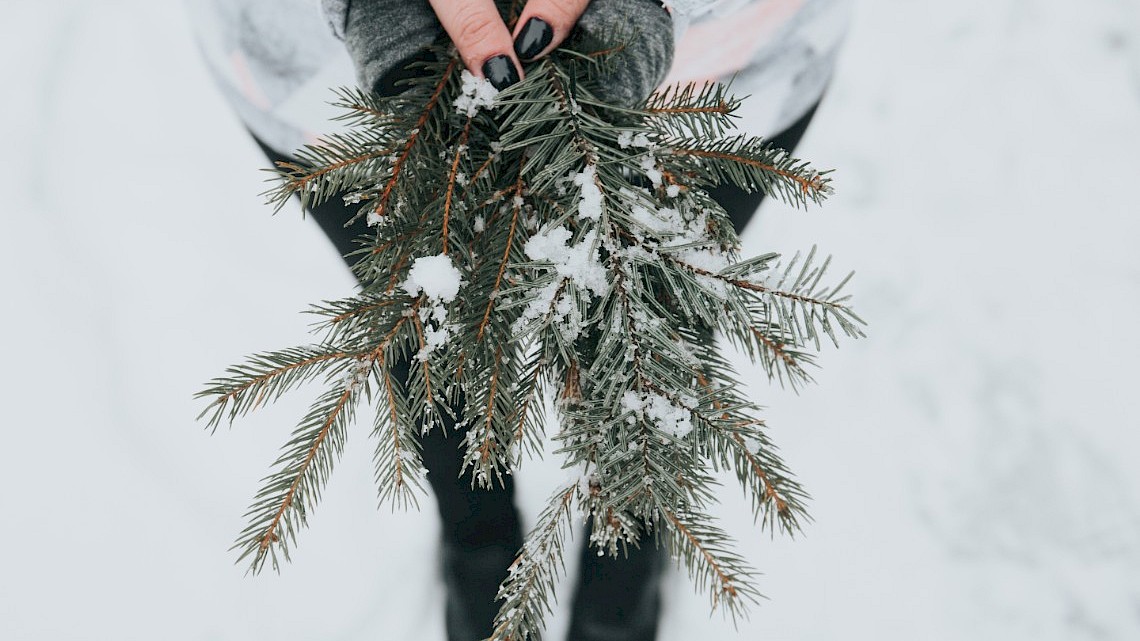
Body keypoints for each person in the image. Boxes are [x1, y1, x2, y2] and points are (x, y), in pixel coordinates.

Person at [186, 1, 851, 640]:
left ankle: (622, 579)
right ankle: (479, 545)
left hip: (720, 76)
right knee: (427, 316)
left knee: (654, 328)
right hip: (329, 91)